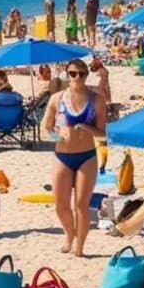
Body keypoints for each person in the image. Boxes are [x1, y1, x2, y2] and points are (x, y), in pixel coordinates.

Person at [41, 58, 107, 257]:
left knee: (81, 204)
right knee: (61, 205)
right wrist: (56, 136)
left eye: (81, 74)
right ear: (67, 75)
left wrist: (88, 127)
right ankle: (69, 235)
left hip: (86, 156)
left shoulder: (96, 100)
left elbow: (103, 133)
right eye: (72, 73)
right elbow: (46, 126)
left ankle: (80, 248)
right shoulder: (57, 99)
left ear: (86, 75)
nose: (76, 77)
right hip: (62, 156)